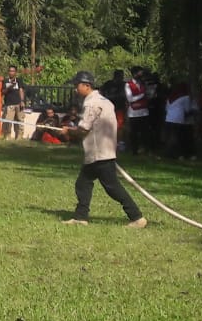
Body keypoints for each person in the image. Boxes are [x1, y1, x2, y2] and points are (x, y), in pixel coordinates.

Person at [62, 71, 148, 228]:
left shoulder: (91, 103)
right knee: (83, 183)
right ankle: (81, 217)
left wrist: (68, 131)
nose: (75, 89)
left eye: (77, 85)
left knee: (112, 188)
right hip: (103, 151)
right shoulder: (106, 101)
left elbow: (83, 129)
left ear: (87, 86)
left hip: (98, 153)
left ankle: (136, 217)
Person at [162, 81, 196, 160]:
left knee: (170, 137)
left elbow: (166, 109)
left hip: (168, 118)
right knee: (178, 138)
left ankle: (169, 153)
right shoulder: (186, 97)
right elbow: (187, 109)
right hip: (178, 119)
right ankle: (178, 154)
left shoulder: (170, 97)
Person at [125, 66, 152, 155]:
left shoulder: (143, 84)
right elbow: (130, 99)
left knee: (145, 132)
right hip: (134, 113)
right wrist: (142, 95)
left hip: (144, 111)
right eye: (140, 73)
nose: (141, 75)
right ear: (135, 74)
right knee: (134, 133)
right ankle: (134, 150)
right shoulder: (128, 84)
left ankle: (146, 149)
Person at [1, 65, 26, 139]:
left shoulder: (19, 80)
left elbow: (21, 90)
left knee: (19, 121)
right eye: (10, 71)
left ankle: (19, 137)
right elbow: (3, 92)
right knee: (8, 121)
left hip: (18, 104)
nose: (11, 72)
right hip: (9, 104)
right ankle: (7, 136)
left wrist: (22, 101)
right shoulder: (5, 81)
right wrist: (9, 87)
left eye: (13, 71)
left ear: (15, 72)